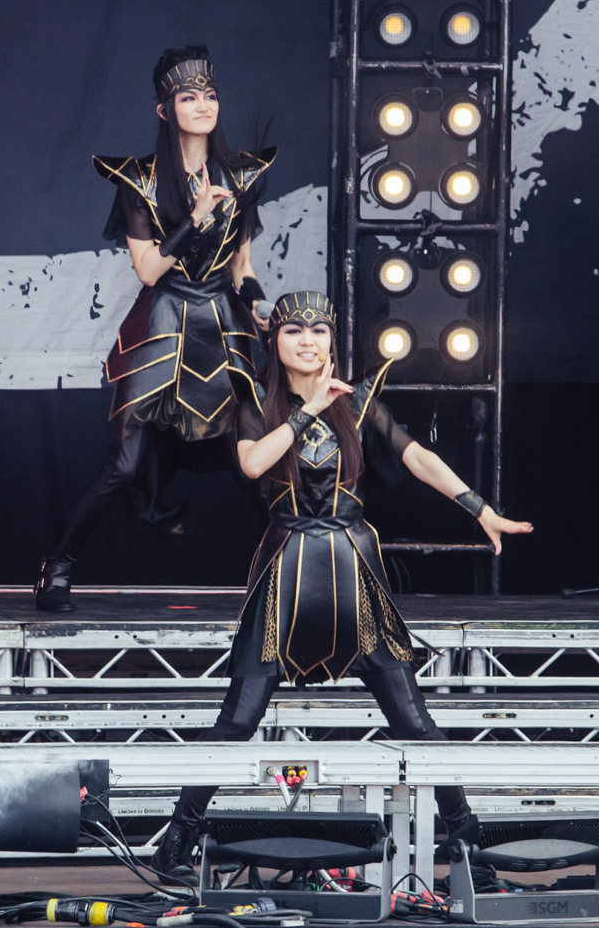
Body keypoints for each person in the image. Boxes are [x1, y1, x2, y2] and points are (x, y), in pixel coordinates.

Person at [151, 290, 534, 879]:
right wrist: (307, 412)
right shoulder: (254, 400)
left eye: (319, 330)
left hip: (354, 568)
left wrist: (478, 507)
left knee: (412, 718)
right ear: (275, 343)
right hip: (286, 570)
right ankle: (177, 836)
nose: (308, 341)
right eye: (293, 332)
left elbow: (416, 456)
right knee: (238, 717)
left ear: (332, 339)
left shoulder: (358, 404)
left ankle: (465, 840)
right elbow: (253, 464)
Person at [36, 45, 277, 613]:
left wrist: (260, 305)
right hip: (163, 326)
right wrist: (192, 222)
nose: (203, 105)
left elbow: (241, 267)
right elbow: (147, 269)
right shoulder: (140, 181)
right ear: (165, 109)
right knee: (121, 466)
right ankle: (59, 568)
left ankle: (314, 569)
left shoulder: (242, 175)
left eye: (210, 95)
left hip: (223, 329)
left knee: (252, 466)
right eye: (189, 97)